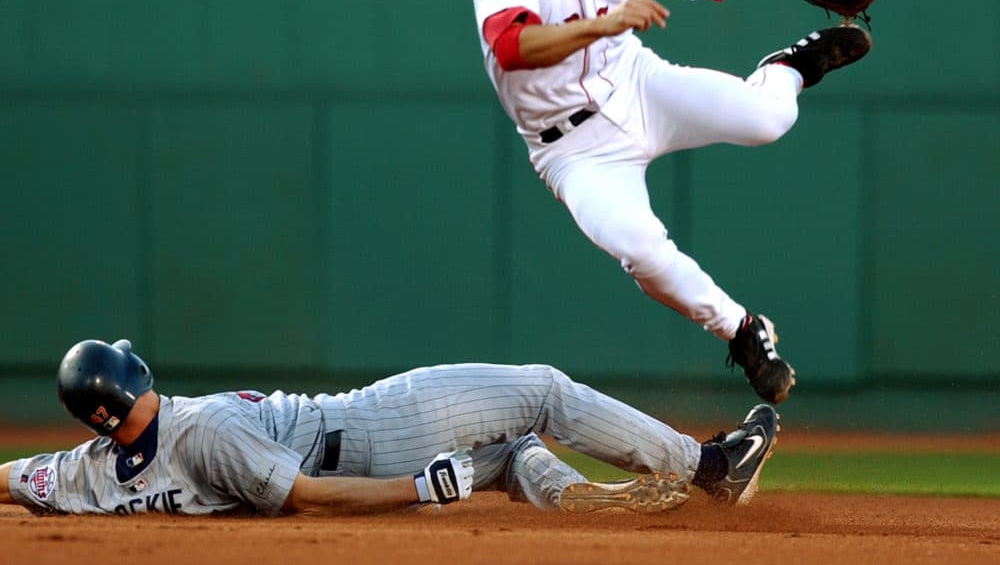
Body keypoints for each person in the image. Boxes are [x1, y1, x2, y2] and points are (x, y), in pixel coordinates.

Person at [473, 0, 874, 405]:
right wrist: (602, 25)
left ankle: (789, 66)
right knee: (641, 251)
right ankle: (743, 332)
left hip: (638, 87)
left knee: (768, 120)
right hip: (571, 150)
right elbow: (512, 48)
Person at [1, 338, 777, 516]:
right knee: (543, 391)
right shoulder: (201, 430)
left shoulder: (87, 475)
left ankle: (586, 507)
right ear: (132, 378)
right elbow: (306, 497)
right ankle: (709, 467)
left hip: (353, 439)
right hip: (373, 429)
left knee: (514, 452)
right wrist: (417, 487)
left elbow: (11, 478)